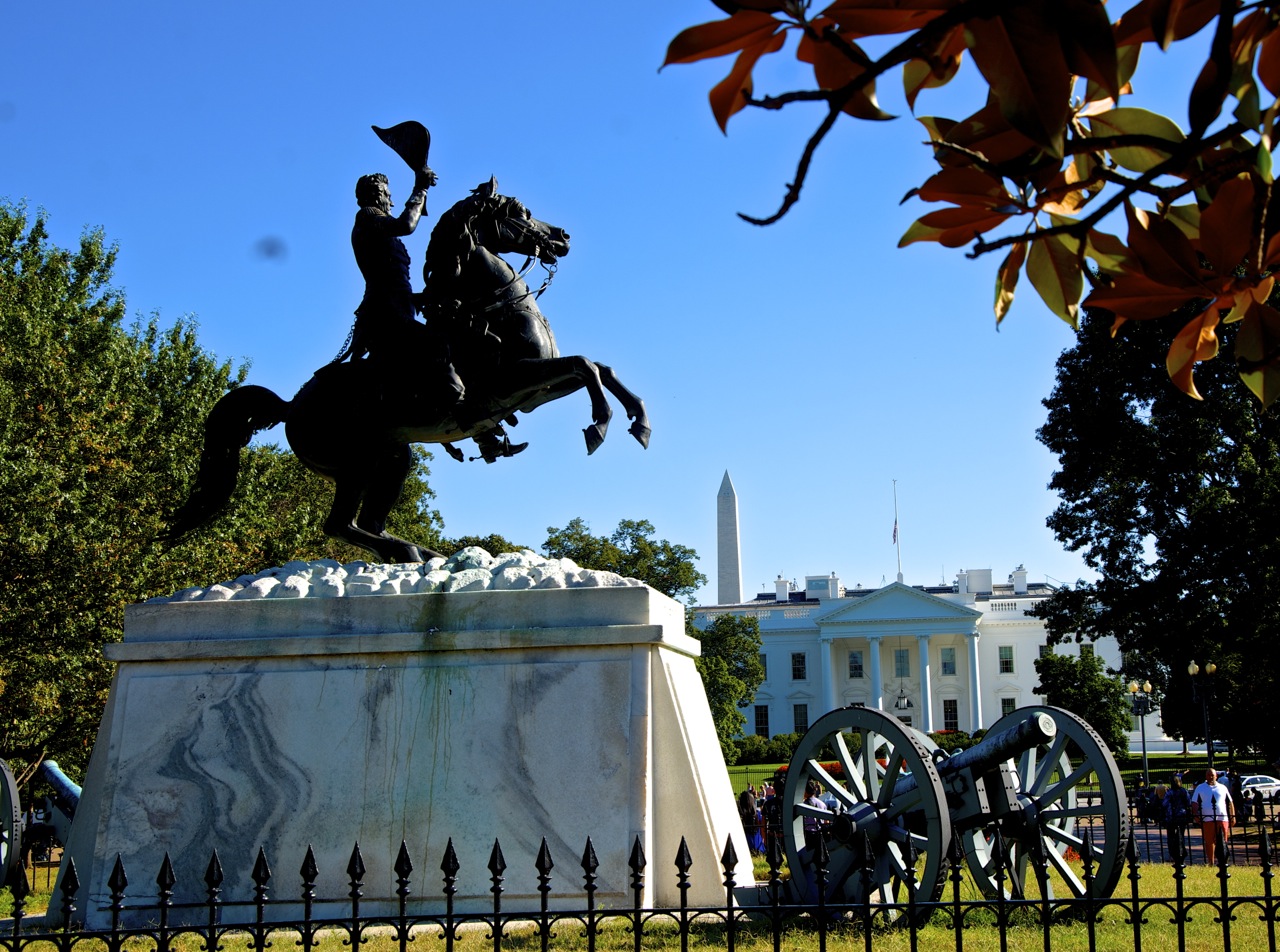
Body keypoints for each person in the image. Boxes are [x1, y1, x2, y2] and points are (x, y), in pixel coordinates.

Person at [348, 169, 525, 464]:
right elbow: (406, 225)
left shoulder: (375, 223)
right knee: (437, 345)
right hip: (384, 312)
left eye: (389, 193)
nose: (390, 198)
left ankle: (484, 435)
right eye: (386, 193)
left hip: (399, 307)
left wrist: (428, 298)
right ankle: (467, 417)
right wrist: (420, 190)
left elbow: (395, 282)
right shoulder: (368, 216)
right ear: (373, 195)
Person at [1191, 768, 1235, 865]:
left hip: (1222, 817)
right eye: (1208, 775)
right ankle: (1211, 862)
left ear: (1216, 776)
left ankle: (1223, 861)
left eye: (1212, 775)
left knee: (1223, 840)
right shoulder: (1200, 787)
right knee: (1209, 841)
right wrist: (1196, 815)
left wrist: (1233, 816)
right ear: (1206, 776)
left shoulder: (1223, 787)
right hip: (1207, 818)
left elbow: (1230, 802)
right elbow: (1194, 802)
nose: (1210, 777)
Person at [1163, 772, 1192, 864]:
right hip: (1182, 816)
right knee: (1181, 836)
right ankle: (1181, 852)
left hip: (1171, 816)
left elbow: (1164, 804)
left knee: (1171, 837)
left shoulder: (1170, 792)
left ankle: (1172, 855)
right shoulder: (1184, 791)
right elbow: (1189, 803)